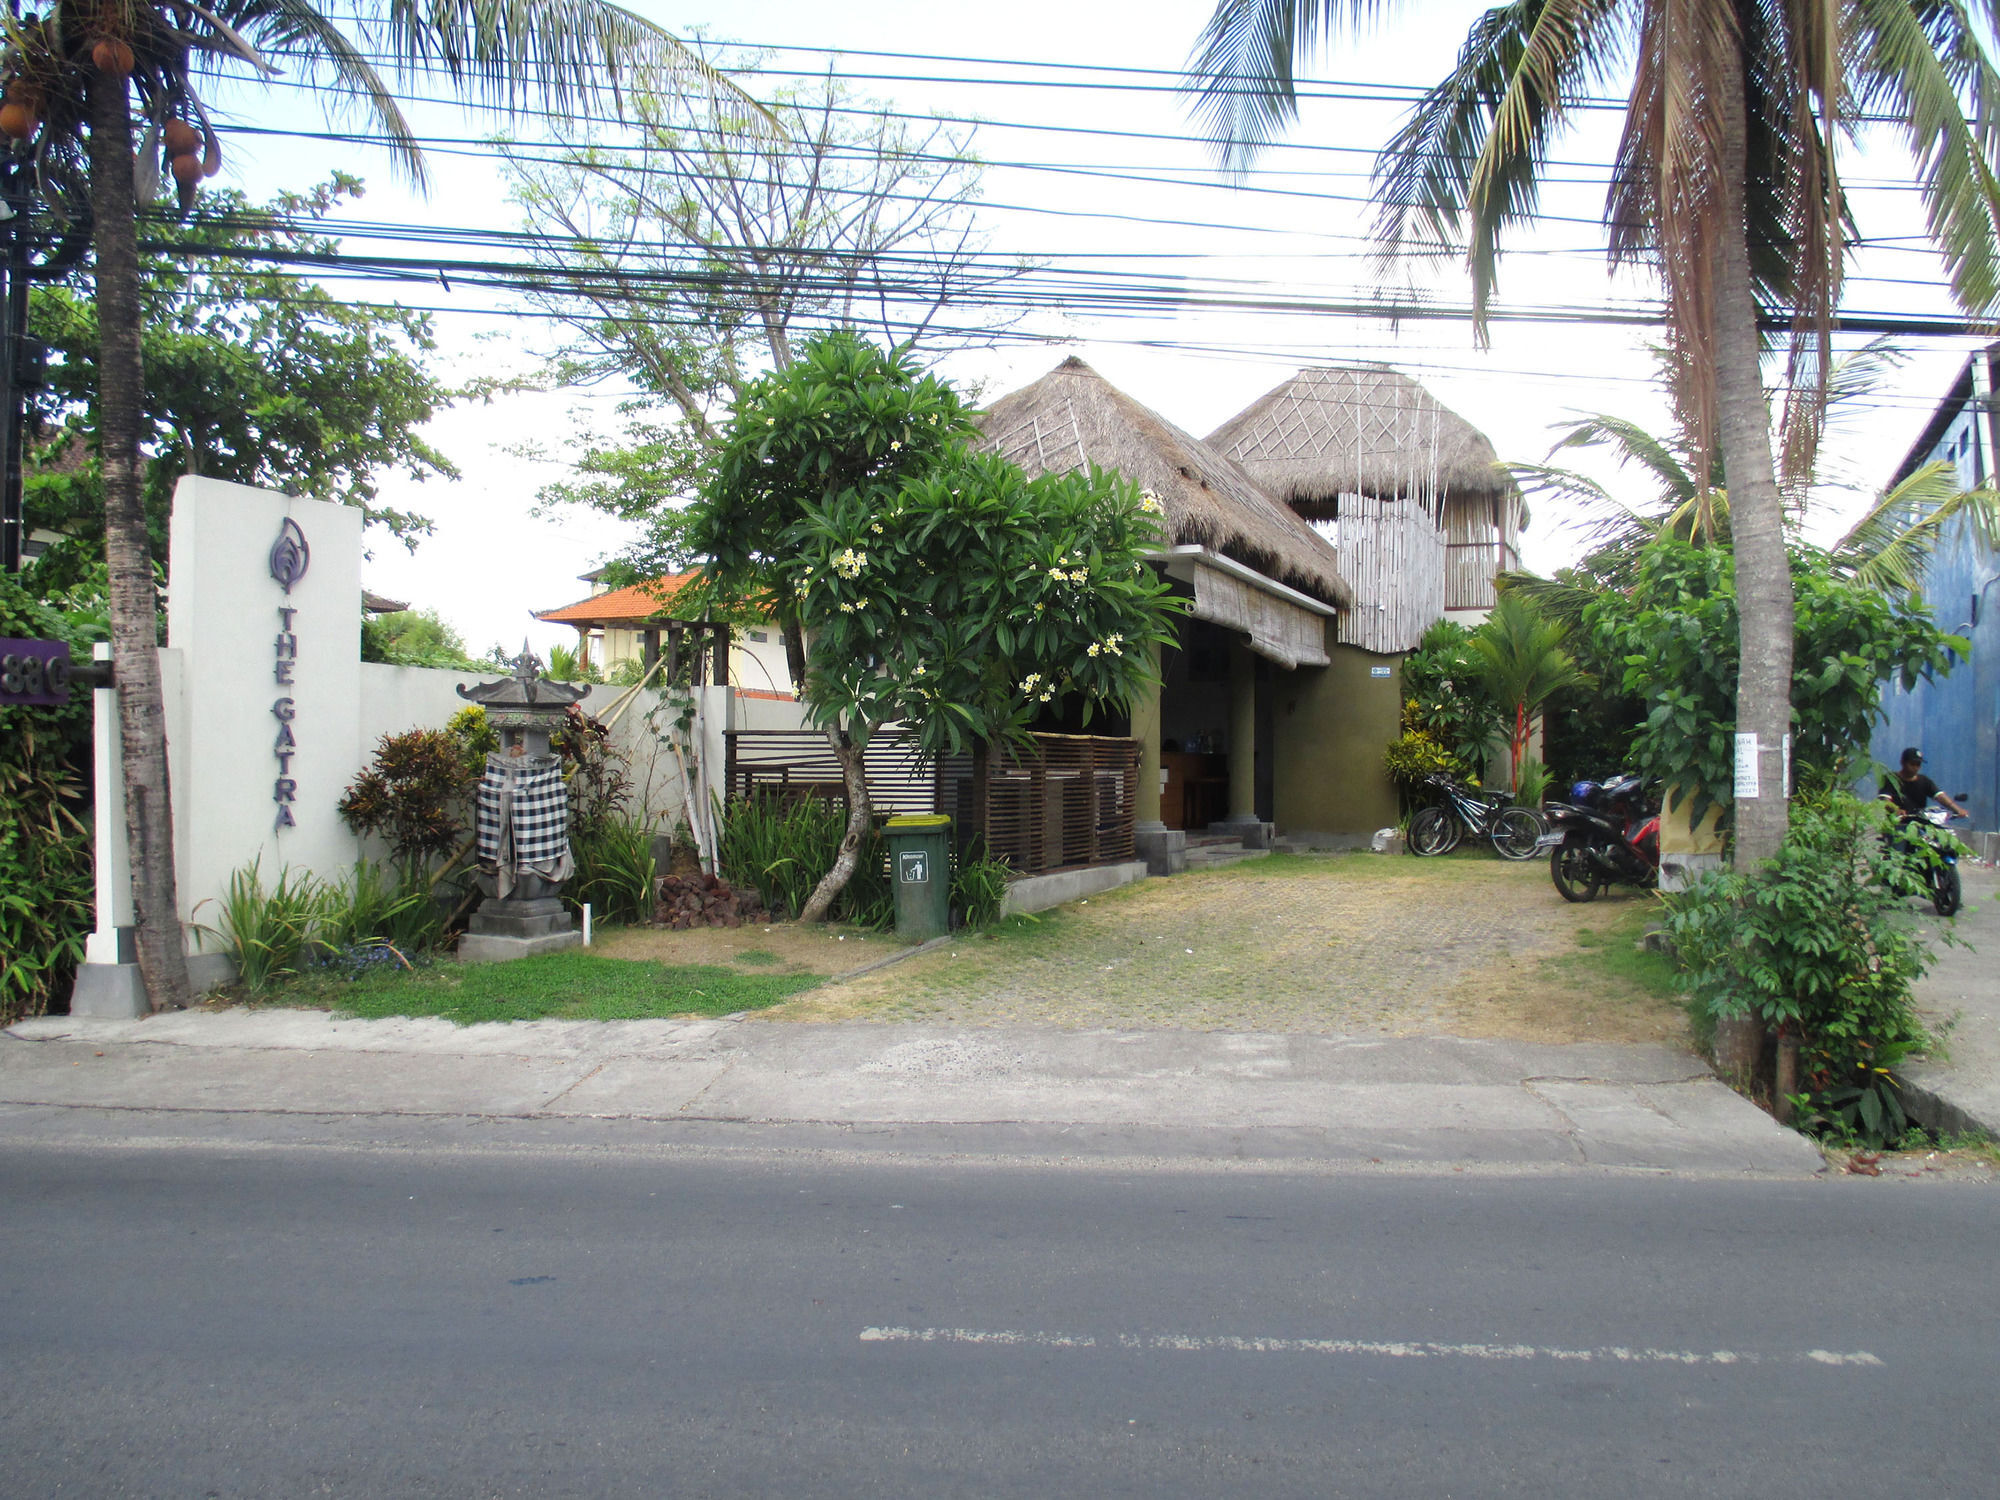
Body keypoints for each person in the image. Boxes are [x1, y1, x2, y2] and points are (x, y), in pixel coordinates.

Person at [1880, 747, 1969, 820]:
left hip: (1920, 824)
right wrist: (1896, 810)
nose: (1915, 767)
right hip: (1896, 825)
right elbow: (1884, 800)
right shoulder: (1890, 779)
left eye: (1918, 764)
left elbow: (1940, 796)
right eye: (1912, 764)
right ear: (1903, 762)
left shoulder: (1924, 781)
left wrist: (1958, 810)